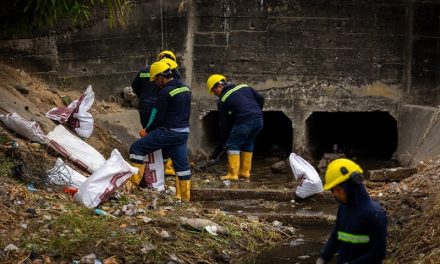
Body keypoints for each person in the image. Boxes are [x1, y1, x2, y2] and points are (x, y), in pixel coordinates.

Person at [129, 61, 192, 201]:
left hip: (168, 132)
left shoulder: (165, 92)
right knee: (182, 167)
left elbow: (157, 117)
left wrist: (147, 130)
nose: (156, 83)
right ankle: (185, 199)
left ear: (160, 77)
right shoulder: (186, 89)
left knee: (136, 149)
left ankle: (132, 187)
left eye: (156, 80)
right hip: (183, 133)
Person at [316, 158, 387, 264]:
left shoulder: (375, 214)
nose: (334, 194)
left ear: (352, 186)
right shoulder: (343, 208)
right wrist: (323, 257)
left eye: (338, 189)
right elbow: (336, 236)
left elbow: (378, 253)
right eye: (332, 190)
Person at [206, 74, 264, 181]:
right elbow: (260, 98)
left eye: (214, 91)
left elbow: (223, 124)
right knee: (248, 143)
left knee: (233, 145)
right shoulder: (244, 86)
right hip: (259, 119)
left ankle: (233, 174)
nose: (215, 94)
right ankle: (245, 172)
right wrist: (256, 111)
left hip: (244, 121)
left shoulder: (222, 100)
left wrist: (224, 142)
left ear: (219, 86)